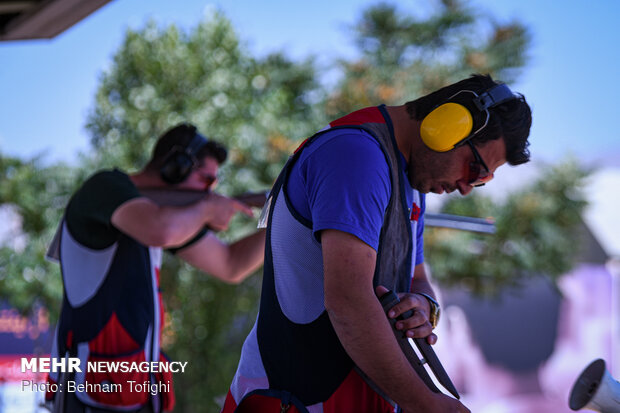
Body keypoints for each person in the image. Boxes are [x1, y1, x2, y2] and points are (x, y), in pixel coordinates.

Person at [221, 74, 532, 413]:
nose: (467, 188)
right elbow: (349, 301)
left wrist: (425, 306)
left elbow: (417, 278)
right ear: (447, 125)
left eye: (482, 181)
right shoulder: (357, 157)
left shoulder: (412, 177)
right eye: (475, 169)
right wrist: (425, 404)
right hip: (297, 402)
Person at [45, 123, 266, 413]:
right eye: (205, 180)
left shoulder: (163, 216)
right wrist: (209, 208)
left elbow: (231, 265)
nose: (210, 191)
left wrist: (284, 218)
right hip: (89, 392)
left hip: (136, 393)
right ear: (176, 166)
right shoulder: (106, 187)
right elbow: (160, 231)